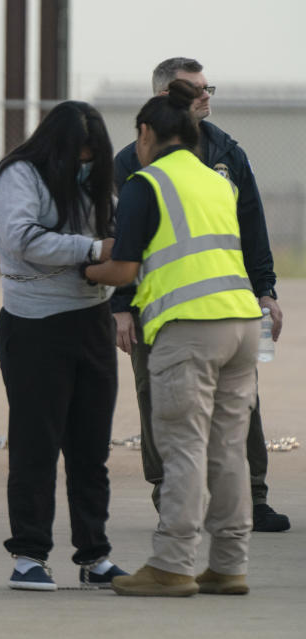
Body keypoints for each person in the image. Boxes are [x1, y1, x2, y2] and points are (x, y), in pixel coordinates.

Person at [86, 80, 263, 596]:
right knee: (228, 449)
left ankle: (172, 565)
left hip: (189, 331)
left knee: (182, 448)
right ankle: (229, 565)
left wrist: (86, 272)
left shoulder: (147, 183)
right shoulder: (216, 181)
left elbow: (123, 269)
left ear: (146, 133)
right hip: (241, 325)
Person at [112, 57, 289, 533]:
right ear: (164, 99)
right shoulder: (131, 165)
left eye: (208, 86)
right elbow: (122, 238)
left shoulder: (226, 155)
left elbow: (251, 226)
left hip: (225, 308)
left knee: (237, 408)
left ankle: (251, 498)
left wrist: (266, 290)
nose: (205, 95)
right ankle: (168, 496)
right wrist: (121, 307)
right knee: (160, 406)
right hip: (158, 309)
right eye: (193, 89)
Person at [0, 101, 127, 591]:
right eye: (80, 154)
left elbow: (116, 237)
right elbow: (22, 237)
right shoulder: (19, 176)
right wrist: (90, 250)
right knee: (35, 447)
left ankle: (95, 555)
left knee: (90, 449)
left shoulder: (96, 180)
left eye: (94, 155)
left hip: (92, 321)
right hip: (34, 327)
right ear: (58, 147)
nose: (86, 162)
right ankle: (29, 555)